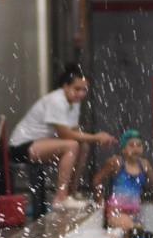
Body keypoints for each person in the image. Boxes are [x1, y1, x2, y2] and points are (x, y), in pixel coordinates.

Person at [8, 63, 117, 210]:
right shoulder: (56, 100)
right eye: (77, 89)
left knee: (83, 145)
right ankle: (61, 198)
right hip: (20, 148)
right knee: (72, 145)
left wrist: (100, 138)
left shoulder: (74, 102)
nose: (81, 94)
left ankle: (72, 193)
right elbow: (64, 133)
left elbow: (75, 131)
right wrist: (96, 137)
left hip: (40, 144)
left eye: (84, 90)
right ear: (65, 86)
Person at [92, 129, 153, 230]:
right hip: (115, 211)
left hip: (134, 213)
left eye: (139, 145)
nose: (136, 149)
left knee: (139, 236)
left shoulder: (144, 164)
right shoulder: (116, 163)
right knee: (133, 230)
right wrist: (100, 202)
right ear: (123, 149)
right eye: (132, 145)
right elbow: (96, 180)